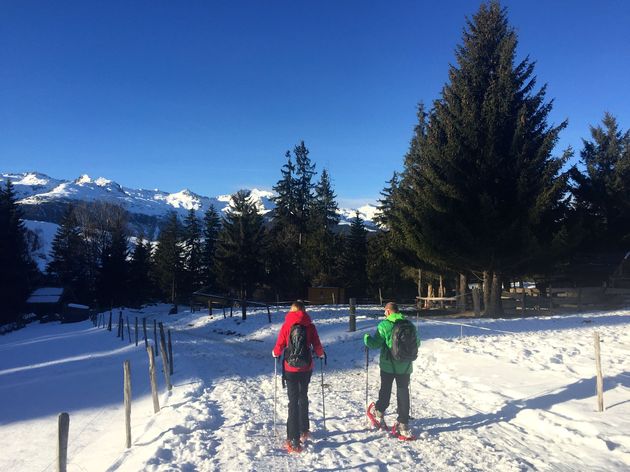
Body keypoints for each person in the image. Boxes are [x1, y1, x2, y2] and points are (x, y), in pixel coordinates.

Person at [272, 301, 325, 453]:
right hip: (306, 367)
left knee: (292, 401)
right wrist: (321, 354)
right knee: (304, 396)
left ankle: (292, 438)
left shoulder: (286, 325)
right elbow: (317, 345)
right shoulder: (310, 325)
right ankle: (304, 428)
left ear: (292, 309)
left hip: (290, 367)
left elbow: (280, 345)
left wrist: (275, 353)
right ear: (304, 310)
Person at [364, 301, 419, 439]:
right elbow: (417, 343)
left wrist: (366, 339)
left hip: (388, 366)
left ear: (388, 311)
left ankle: (379, 411)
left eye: (385, 312)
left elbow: (375, 343)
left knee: (386, 389)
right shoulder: (410, 325)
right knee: (403, 392)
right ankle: (403, 423)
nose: (384, 314)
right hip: (405, 366)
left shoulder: (384, 325)